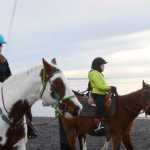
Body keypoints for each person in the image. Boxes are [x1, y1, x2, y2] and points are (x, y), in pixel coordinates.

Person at [0, 34, 37, 139]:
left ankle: (29, 129)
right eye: (0, 45)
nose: (1, 47)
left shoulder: (3, 60)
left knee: (24, 104)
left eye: (1, 45)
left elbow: (9, 76)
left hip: (6, 90)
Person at [88, 57, 116, 132]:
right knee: (101, 106)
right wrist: (109, 87)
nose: (103, 67)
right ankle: (97, 125)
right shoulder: (94, 73)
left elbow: (103, 85)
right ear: (98, 65)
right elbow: (99, 86)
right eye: (102, 65)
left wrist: (109, 89)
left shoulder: (99, 73)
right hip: (97, 94)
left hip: (103, 93)